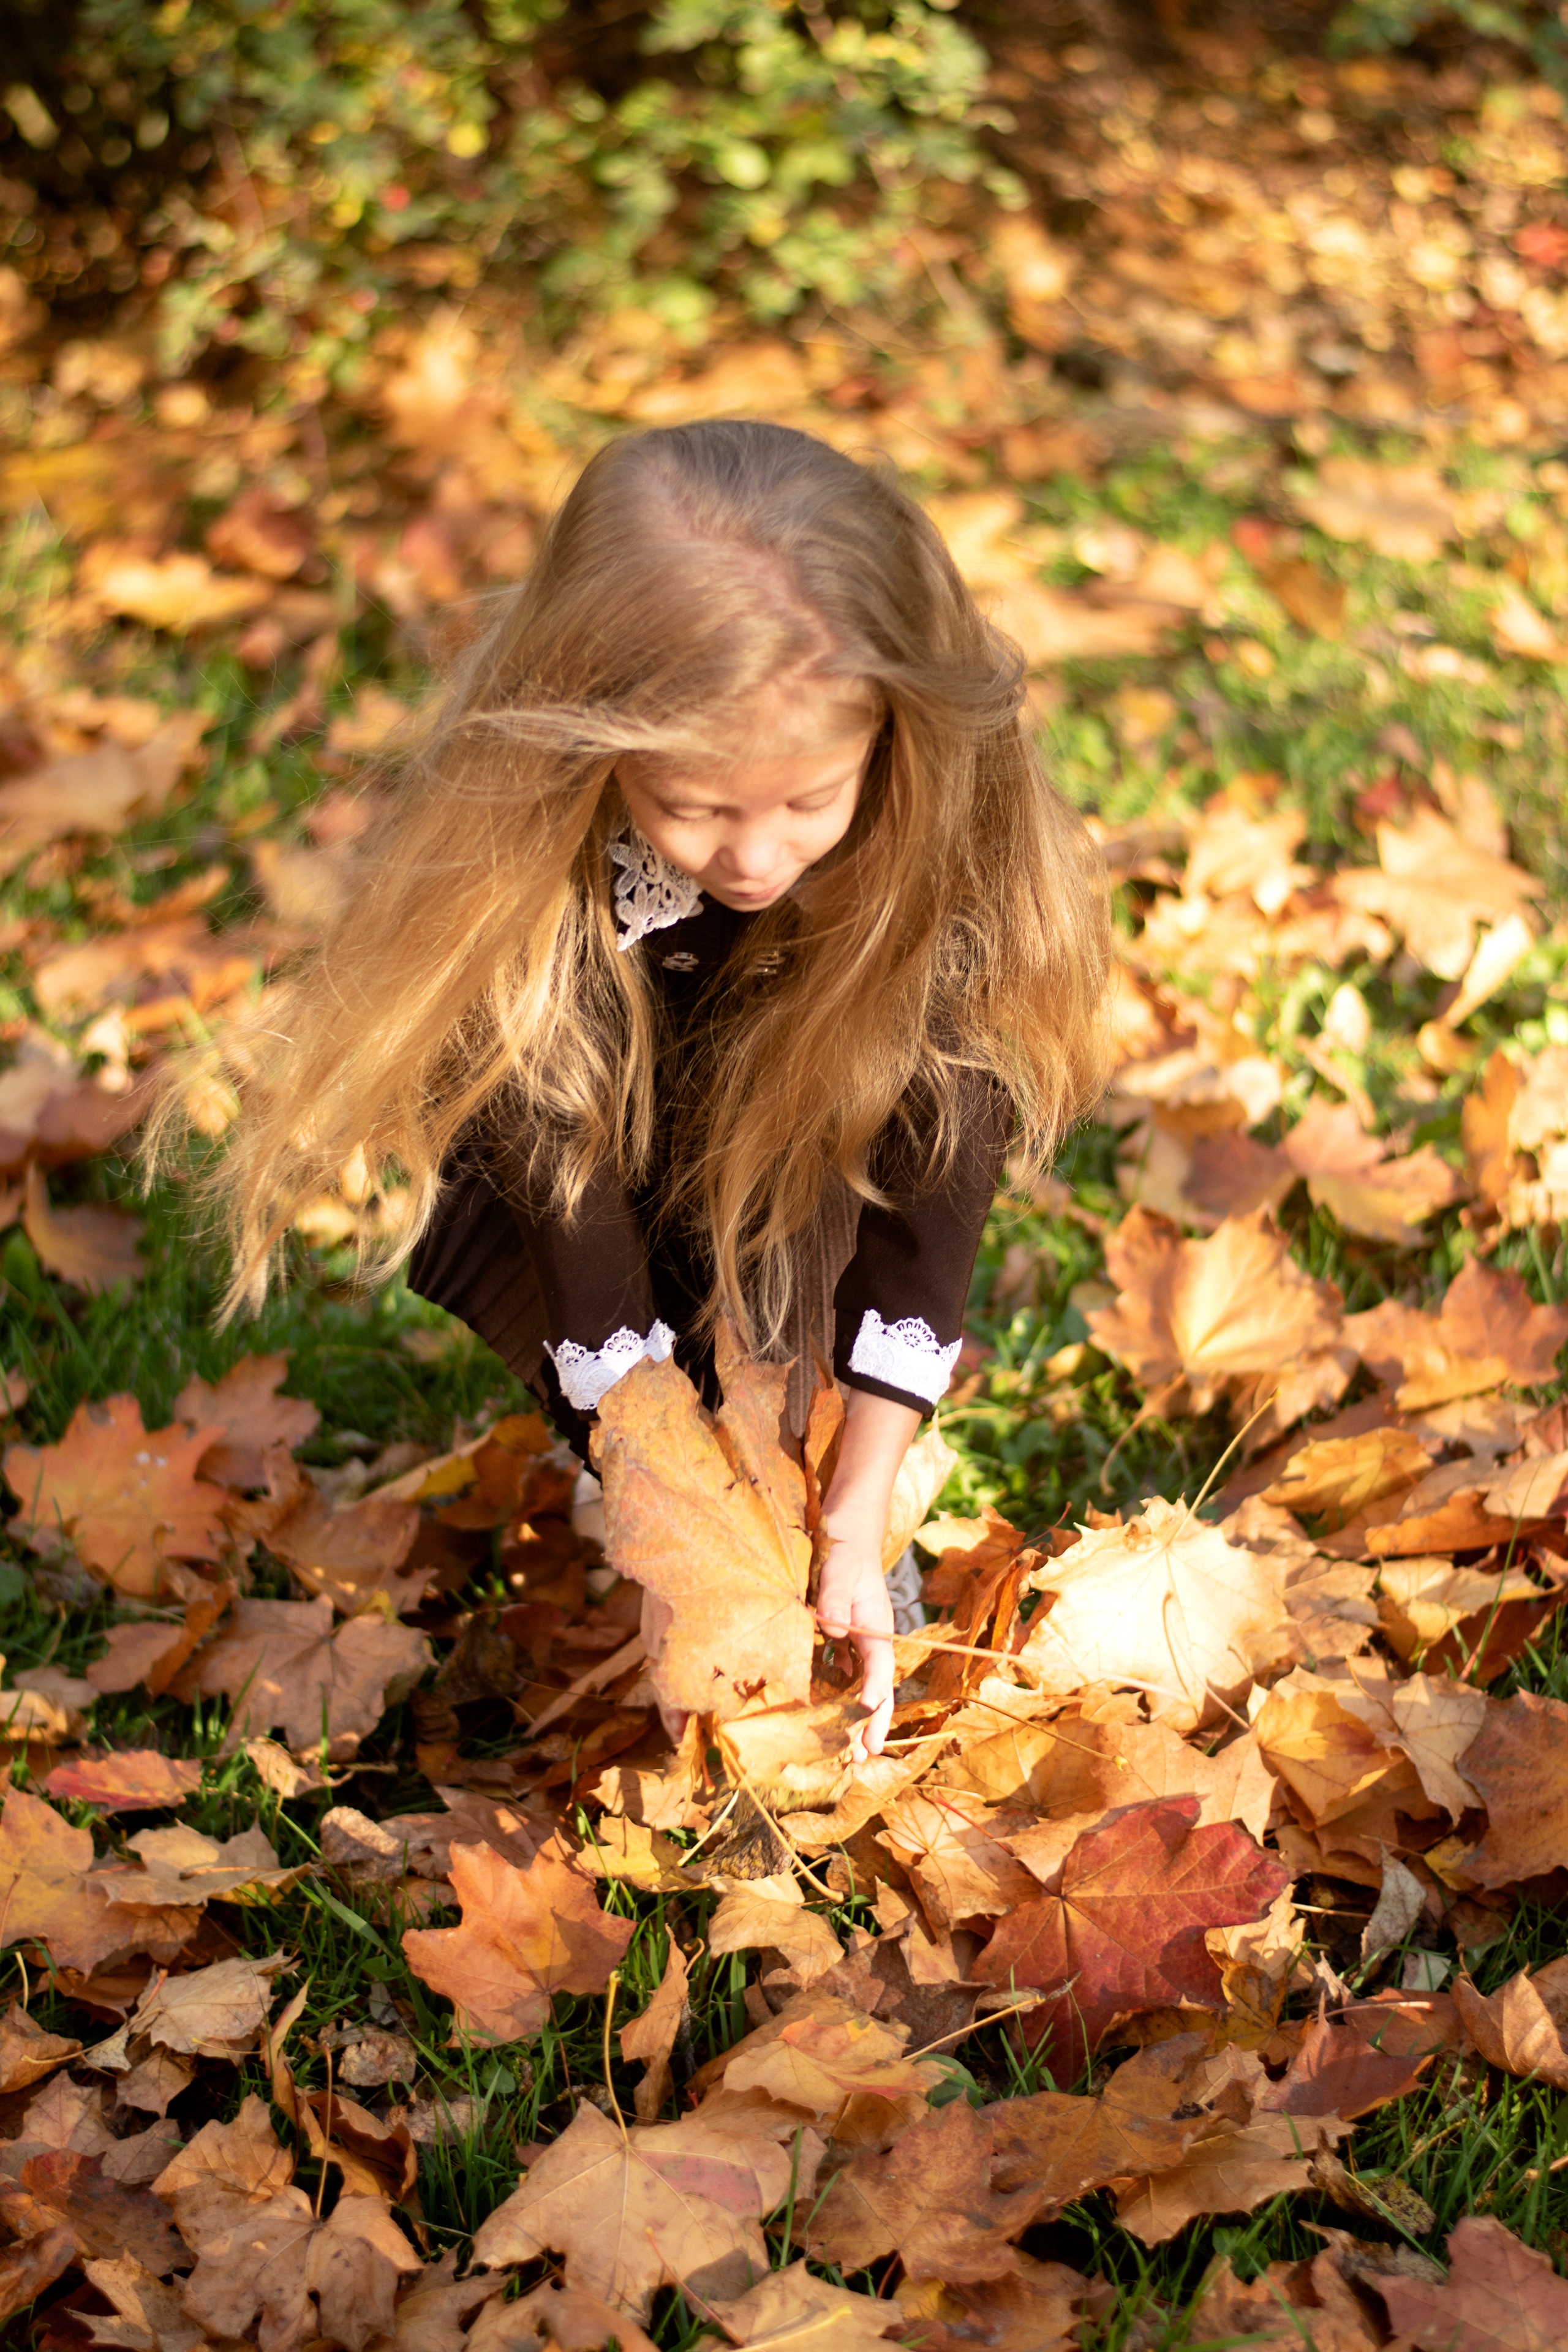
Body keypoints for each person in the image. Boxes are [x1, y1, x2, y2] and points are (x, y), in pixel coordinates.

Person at [194, 420, 1110, 1757]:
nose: (752, 854)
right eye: (692, 806)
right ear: (595, 742)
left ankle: (820, 1524)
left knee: (799, 1304)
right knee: (635, 1358)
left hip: (809, 1121)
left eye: (806, 799)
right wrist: (653, 1481)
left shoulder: (915, 853)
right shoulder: (543, 876)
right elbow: (561, 1169)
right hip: (607, 1130)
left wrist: (856, 1490)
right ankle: (673, 1499)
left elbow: (934, 1178)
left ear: (883, 738)